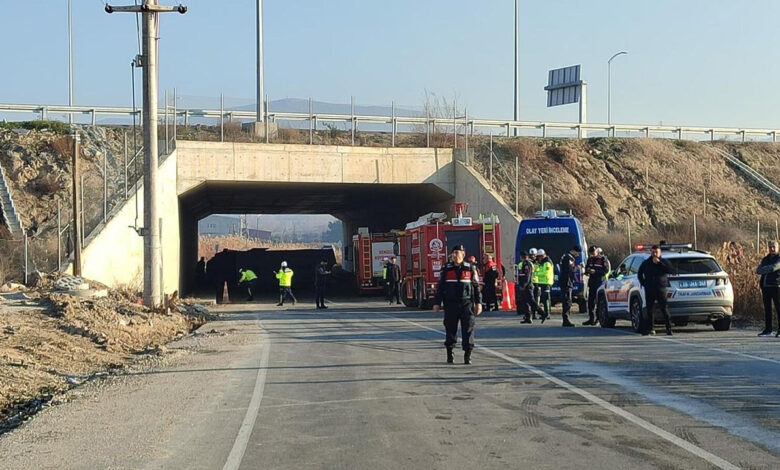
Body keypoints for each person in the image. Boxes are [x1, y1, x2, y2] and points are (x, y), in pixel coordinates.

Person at [433, 245, 483, 364]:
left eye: (457, 252)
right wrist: (437, 303)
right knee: (450, 329)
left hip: (466, 304)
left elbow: (476, 287)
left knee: (468, 329)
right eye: (453, 253)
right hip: (451, 304)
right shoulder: (446, 268)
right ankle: (450, 353)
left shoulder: (470, 268)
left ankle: (467, 354)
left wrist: (478, 303)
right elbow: (440, 287)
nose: (455, 255)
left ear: (463, 254)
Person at [637, 245, 674, 335]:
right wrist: (643, 283)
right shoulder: (646, 263)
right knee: (649, 310)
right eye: (653, 252)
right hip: (649, 289)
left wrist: (659, 263)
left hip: (660, 289)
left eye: (656, 252)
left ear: (660, 252)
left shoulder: (664, 262)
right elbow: (639, 273)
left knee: (664, 309)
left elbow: (670, 270)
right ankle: (650, 329)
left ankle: (668, 328)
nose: (654, 254)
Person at [756, 240, 780, 337]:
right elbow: (758, 270)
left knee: (779, 308)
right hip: (765, 286)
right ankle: (768, 329)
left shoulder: (779, 258)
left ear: (778, 247)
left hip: (776, 286)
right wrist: (767, 269)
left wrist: (765, 269)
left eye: (774, 246)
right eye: (770, 247)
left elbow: (774, 267)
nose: (772, 248)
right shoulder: (765, 259)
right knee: (767, 309)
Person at [584, 246, 611, 325]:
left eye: (593, 253)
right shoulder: (590, 259)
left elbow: (605, 270)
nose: (592, 254)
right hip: (592, 282)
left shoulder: (603, 259)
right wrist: (587, 270)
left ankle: (599, 318)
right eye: (591, 253)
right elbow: (587, 268)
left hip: (600, 282)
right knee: (590, 302)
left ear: (596, 251)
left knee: (599, 302)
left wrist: (595, 271)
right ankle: (591, 318)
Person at [558, 246, 581, 327]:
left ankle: (566, 318)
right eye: (577, 253)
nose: (578, 255)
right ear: (574, 251)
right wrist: (577, 268)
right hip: (567, 282)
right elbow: (569, 270)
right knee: (567, 300)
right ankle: (566, 319)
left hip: (564, 281)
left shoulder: (565, 256)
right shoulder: (569, 258)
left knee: (567, 300)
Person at [515, 251, 536, 324]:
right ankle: (528, 317)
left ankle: (541, 313)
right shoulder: (523, 263)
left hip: (527, 286)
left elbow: (527, 276)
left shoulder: (527, 264)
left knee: (531, 301)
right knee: (525, 302)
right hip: (524, 285)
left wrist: (523, 285)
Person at [535, 249, 553, 323]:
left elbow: (545, 273)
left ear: (542, 256)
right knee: (544, 298)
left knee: (546, 299)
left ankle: (547, 313)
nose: (538, 258)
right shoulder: (543, 262)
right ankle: (546, 313)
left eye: (539, 257)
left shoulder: (547, 263)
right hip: (542, 282)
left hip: (546, 282)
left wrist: (536, 273)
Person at [528, 248, 539, 319]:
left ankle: (534, 313)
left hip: (537, 282)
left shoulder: (538, 262)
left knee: (536, 299)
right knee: (530, 299)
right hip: (530, 282)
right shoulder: (528, 262)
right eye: (531, 255)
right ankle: (530, 314)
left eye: (534, 255)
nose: (533, 256)